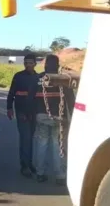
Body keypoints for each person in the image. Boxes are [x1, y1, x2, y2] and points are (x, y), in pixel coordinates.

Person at [33, 54, 75, 185]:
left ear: (45, 65)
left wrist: (30, 114)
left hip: (41, 117)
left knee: (41, 144)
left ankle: (40, 173)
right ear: (57, 66)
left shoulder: (38, 78)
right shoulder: (63, 79)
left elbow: (30, 98)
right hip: (58, 117)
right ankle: (60, 176)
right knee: (58, 146)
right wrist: (71, 118)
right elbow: (70, 100)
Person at [7, 53, 39, 177]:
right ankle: (24, 166)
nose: (28, 65)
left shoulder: (38, 78)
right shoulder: (18, 76)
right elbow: (11, 93)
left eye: (31, 63)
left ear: (35, 64)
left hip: (33, 112)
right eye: (26, 63)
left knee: (30, 138)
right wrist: (9, 108)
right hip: (21, 112)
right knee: (25, 138)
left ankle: (29, 163)